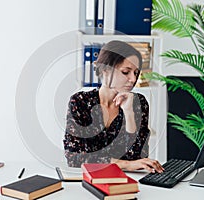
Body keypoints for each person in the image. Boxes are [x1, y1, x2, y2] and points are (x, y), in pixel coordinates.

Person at [63, 40, 164, 173]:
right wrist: (126, 164)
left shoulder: (138, 102)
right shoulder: (80, 102)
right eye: (126, 72)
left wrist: (129, 113)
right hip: (88, 179)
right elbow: (75, 158)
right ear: (105, 71)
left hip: (128, 179)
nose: (133, 79)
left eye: (136, 73)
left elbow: (138, 157)